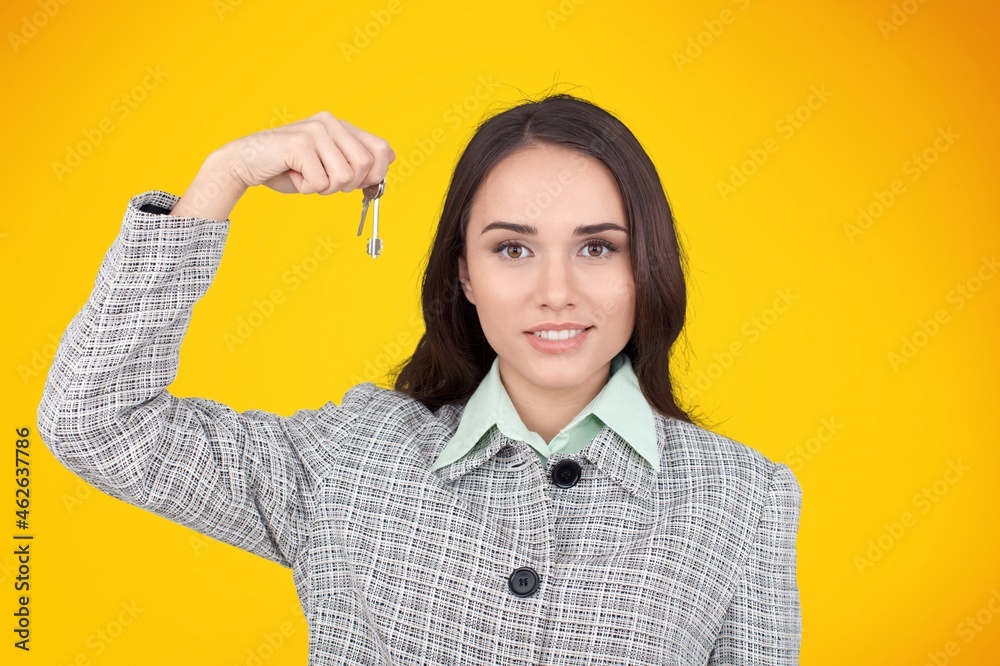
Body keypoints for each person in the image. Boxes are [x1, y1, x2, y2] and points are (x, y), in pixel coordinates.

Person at [38, 94, 802, 664]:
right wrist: (224, 176)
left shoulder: (744, 498)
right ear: (464, 273)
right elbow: (95, 420)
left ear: (647, 267)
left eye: (598, 248)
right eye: (513, 249)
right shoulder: (350, 456)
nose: (557, 290)